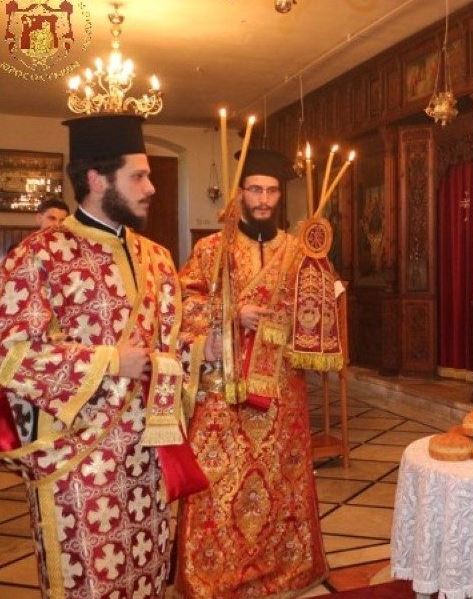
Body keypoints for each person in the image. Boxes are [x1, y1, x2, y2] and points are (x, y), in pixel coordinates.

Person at [0, 114, 207, 599]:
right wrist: (110, 361)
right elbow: (10, 354)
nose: (151, 187)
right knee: (91, 580)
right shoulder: (39, 256)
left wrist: (206, 351)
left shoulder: (157, 257)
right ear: (96, 180)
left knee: (150, 572)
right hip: (80, 461)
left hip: (148, 455)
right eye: (138, 175)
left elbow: (173, 345)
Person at [175, 148, 327, 598]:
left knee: (281, 482)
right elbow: (183, 305)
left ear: (281, 195)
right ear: (241, 192)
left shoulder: (299, 253)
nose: (263, 199)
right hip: (224, 389)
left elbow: (314, 313)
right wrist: (231, 314)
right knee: (218, 481)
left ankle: (282, 568)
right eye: (255, 189)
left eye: (272, 190)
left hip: (281, 388)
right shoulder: (210, 249)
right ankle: (217, 572)